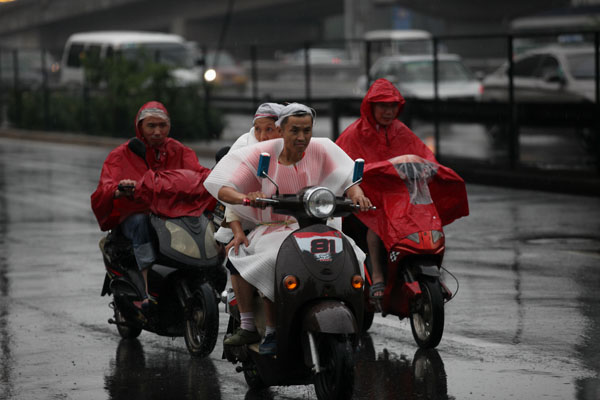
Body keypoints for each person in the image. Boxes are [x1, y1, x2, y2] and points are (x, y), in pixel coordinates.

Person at [204, 103, 372, 355]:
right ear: (281, 130)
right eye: (295, 130)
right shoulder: (261, 155)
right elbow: (225, 188)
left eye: (307, 130)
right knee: (273, 261)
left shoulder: (322, 149)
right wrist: (246, 198)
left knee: (353, 255)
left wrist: (357, 194)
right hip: (272, 229)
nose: (302, 137)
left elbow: (348, 178)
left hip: (316, 226)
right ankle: (268, 329)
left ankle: (352, 324)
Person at [91, 101, 215, 310]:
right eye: (151, 126)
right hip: (137, 214)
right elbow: (106, 186)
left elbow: (198, 173)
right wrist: (119, 189)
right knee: (141, 221)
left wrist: (219, 178)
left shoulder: (179, 150)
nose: (157, 131)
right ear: (140, 127)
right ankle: (148, 287)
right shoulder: (122, 154)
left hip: (171, 213)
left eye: (162, 126)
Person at [335, 78, 450, 300]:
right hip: (369, 200)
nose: (388, 111)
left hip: (401, 196)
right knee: (378, 227)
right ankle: (378, 277)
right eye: (383, 106)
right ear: (371, 106)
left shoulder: (401, 130)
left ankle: (435, 275)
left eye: (393, 106)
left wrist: (430, 168)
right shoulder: (354, 133)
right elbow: (341, 165)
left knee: (431, 223)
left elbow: (424, 155)